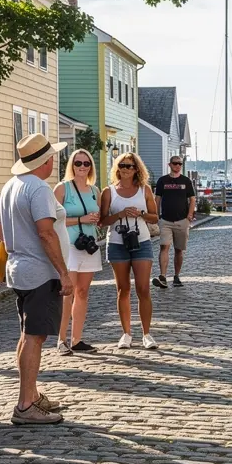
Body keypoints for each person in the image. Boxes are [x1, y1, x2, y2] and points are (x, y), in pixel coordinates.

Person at [0, 133, 73, 425]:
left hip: (19, 268)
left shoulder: (9, 187)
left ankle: (32, 394)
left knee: (28, 334)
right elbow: (46, 232)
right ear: (46, 160)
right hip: (39, 271)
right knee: (34, 336)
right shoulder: (38, 189)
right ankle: (26, 404)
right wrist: (63, 272)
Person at [100, 151, 159, 349]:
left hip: (141, 242)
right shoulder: (109, 191)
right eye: (122, 165)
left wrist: (140, 214)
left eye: (129, 166)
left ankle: (147, 334)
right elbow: (102, 221)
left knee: (143, 288)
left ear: (136, 170)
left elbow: (155, 217)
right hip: (117, 243)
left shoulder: (145, 190)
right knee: (123, 289)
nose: (125, 169)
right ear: (117, 168)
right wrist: (119, 215)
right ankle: (126, 333)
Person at [54, 149, 102, 355]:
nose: (82, 167)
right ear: (71, 166)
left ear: (91, 167)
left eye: (86, 163)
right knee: (68, 293)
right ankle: (61, 340)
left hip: (89, 246)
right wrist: (80, 220)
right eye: (78, 163)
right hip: (70, 246)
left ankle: (77, 339)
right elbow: (53, 219)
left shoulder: (94, 191)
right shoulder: (62, 188)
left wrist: (95, 219)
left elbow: (99, 216)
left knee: (83, 293)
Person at [153, 156, 196, 288]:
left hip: (182, 220)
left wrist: (189, 215)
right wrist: (156, 214)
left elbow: (192, 199)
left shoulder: (186, 181)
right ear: (169, 164)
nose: (177, 166)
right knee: (164, 246)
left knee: (179, 250)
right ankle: (163, 277)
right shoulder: (162, 181)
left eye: (179, 164)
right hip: (165, 220)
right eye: (175, 163)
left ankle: (176, 276)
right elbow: (157, 199)